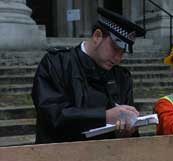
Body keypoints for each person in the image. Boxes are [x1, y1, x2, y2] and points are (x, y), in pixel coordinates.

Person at [32, 7, 145, 144]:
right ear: (97, 36)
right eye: (115, 49)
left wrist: (127, 129)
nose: (118, 59)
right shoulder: (56, 63)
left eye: (122, 53)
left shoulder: (122, 76)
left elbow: (125, 128)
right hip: (60, 157)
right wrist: (105, 117)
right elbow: (52, 114)